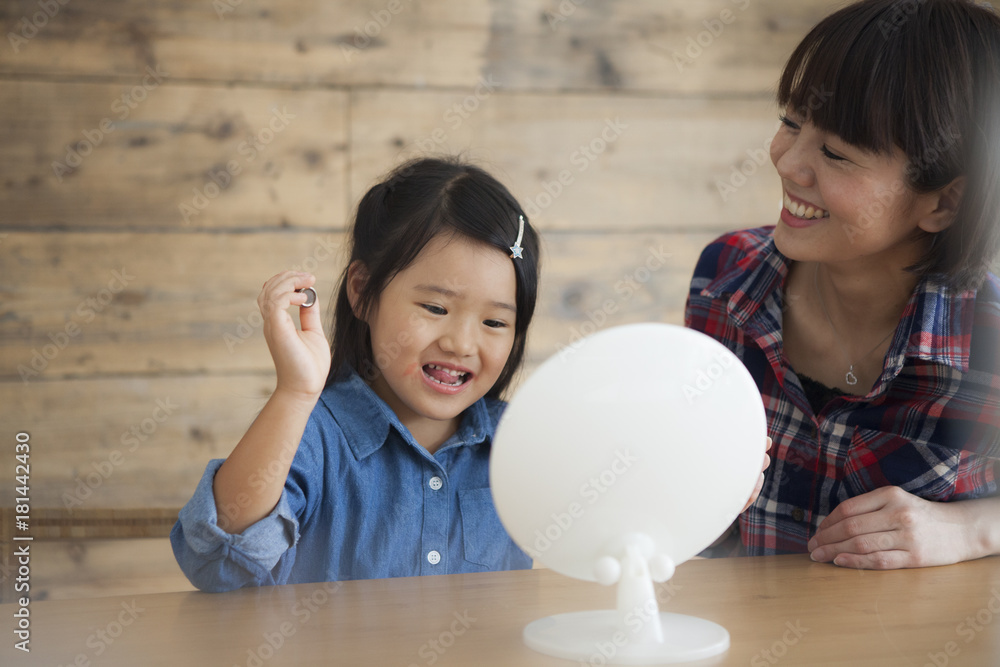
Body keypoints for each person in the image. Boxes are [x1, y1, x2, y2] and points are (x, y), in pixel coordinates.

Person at [686, 0, 1000, 569]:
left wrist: (973, 529)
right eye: (790, 122)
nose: (788, 162)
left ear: (946, 201)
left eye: (835, 153)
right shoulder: (724, 278)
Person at [171, 157, 540, 591]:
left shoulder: (523, 443)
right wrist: (294, 393)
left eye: (494, 323)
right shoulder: (313, 434)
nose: (461, 343)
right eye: (435, 308)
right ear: (363, 293)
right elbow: (216, 564)